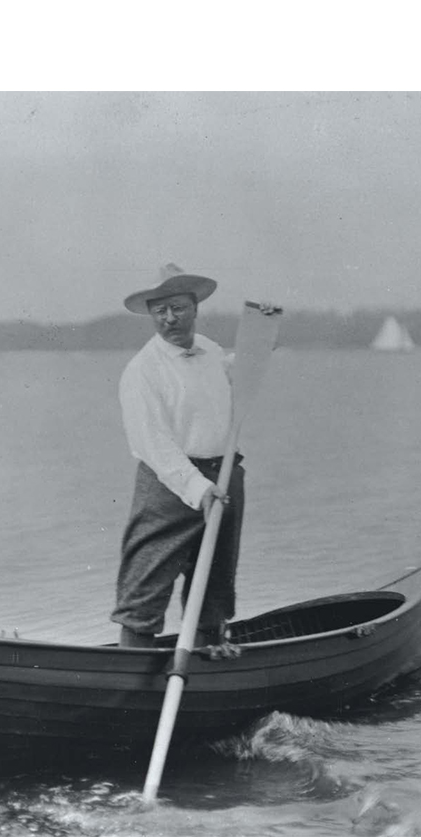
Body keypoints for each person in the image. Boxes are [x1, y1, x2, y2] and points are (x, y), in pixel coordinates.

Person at [110, 264, 251, 650]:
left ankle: (209, 654)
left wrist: (256, 352)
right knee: (146, 580)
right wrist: (196, 487)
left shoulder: (212, 352)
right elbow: (153, 443)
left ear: (194, 308)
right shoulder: (142, 371)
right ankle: (132, 671)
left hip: (223, 476)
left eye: (178, 308)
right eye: (160, 311)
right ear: (152, 315)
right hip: (169, 481)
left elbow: (232, 384)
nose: (169, 319)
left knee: (215, 580)